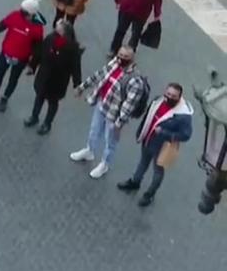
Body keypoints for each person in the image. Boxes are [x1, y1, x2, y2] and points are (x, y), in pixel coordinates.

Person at [70, 47, 149, 179]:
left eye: (125, 56)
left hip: (115, 113)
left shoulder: (135, 80)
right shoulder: (114, 63)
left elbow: (128, 105)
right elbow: (99, 74)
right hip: (102, 104)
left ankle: (104, 164)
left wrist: (119, 123)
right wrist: (82, 87)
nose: (121, 58)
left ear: (132, 59)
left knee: (110, 141)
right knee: (94, 130)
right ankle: (89, 151)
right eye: (120, 55)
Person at [117, 83, 194, 206]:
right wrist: (140, 132)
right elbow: (148, 117)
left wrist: (164, 133)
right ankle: (135, 182)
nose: (169, 97)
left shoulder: (184, 116)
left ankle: (150, 194)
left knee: (158, 171)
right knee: (142, 162)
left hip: (163, 147)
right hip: (148, 139)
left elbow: (186, 135)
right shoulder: (157, 101)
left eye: (173, 96)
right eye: (168, 94)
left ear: (179, 97)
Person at [0, 0, 46, 111]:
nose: (24, 16)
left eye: (26, 15)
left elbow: (38, 48)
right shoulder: (15, 16)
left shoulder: (37, 28)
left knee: (13, 79)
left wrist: (32, 65)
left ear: (33, 14)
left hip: (21, 59)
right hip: (6, 53)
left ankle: (5, 98)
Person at [24, 19, 82, 135]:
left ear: (64, 31)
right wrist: (32, 66)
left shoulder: (73, 47)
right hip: (44, 75)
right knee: (39, 97)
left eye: (58, 26)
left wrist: (77, 85)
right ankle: (34, 116)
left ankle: (47, 123)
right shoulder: (50, 38)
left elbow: (76, 67)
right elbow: (39, 53)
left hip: (58, 80)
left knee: (52, 102)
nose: (56, 27)